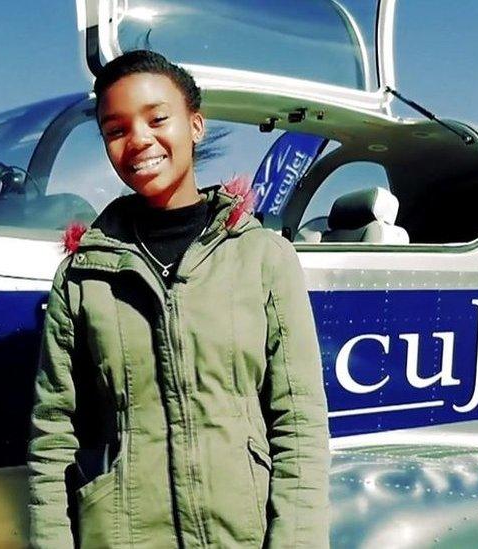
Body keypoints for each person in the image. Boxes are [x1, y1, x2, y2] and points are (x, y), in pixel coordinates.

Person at [27, 49, 330, 549]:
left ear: (195, 125)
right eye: (116, 129)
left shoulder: (262, 257)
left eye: (157, 118)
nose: (139, 140)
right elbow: (52, 436)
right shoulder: (83, 276)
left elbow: (298, 424)